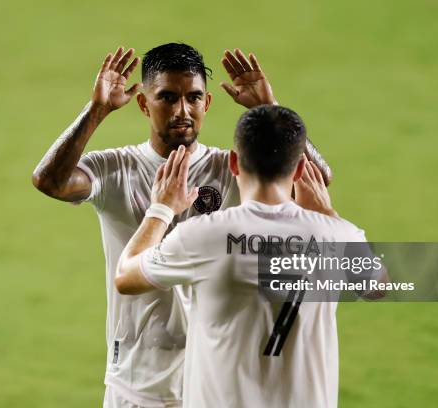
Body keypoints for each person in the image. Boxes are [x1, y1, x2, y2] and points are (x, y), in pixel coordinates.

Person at [32, 43, 332, 407]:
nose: (182, 111)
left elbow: (314, 179)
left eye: (193, 98)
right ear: (144, 103)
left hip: (216, 381)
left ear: (207, 103)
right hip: (137, 381)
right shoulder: (116, 169)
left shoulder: (232, 169)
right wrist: (95, 111)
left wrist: (270, 112)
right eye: (167, 98)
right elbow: (49, 181)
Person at [115, 105, 386, 408]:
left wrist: (161, 209)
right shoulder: (336, 237)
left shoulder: (203, 237)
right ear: (298, 169)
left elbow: (126, 277)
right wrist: (328, 215)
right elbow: (378, 286)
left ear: (233, 163)